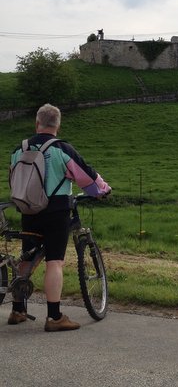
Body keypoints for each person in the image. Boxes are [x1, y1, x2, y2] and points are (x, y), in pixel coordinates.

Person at [8, 103, 111, 332]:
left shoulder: (19, 149)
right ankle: (54, 317)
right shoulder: (61, 149)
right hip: (55, 212)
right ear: (58, 125)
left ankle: (18, 310)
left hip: (27, 210)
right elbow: (88, 177)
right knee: (55, 261)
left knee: (28, 257)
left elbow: (13, 179)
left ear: (37, 123)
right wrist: (103, 191)